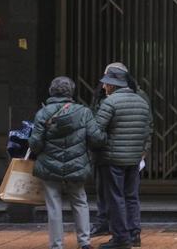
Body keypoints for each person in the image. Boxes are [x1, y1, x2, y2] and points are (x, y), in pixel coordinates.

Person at [29, 76, 105, 249]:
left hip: (49, 165)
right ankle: (84, 242)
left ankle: (56, 245)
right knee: (80, 201)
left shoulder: (43, 113)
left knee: (53, 205)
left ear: (51, 91)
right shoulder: (83, 112)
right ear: (71, 92)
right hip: (76, 164)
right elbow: (96, 138)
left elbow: (35, 144)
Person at [90, 63, 150, 242]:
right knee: (131, 197)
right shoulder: (141, 101)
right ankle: (134, 234)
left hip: (112, 158)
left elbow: (95, 132)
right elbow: (146, 130)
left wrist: (99, 146)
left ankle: (120, 237)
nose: (103, 86)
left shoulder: (110, 102)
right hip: (133, 158)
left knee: (115, 197)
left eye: (106, 83)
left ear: (112, 85)